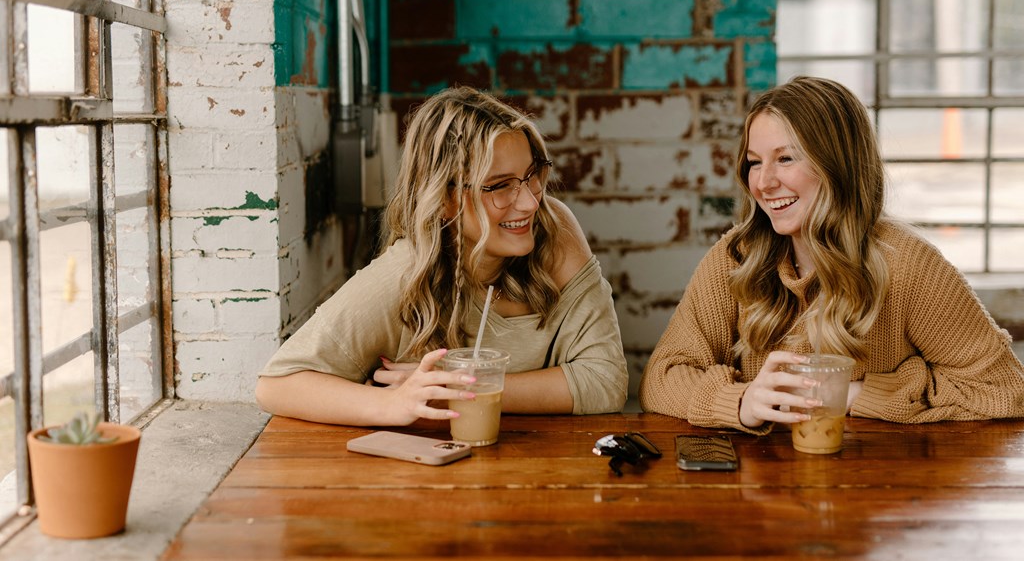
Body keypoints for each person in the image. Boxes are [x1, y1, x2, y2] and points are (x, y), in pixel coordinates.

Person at [639, 75, 1024, 433]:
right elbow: (661, 378)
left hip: (879, 485)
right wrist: (742, 401)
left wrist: (856, 395)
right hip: (760, 490)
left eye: (786, 158)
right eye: (755, 162)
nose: (764, 182)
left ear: (837, 165)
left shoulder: (909, 264)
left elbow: (1005, 389)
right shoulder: (736, 256)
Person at [256, 86, 628, 426]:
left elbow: (606, 381)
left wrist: (459, 386)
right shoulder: (401, 276)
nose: (531, 201)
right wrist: (389, 404)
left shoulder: (554, 228)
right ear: (445, 198)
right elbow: (277, 385)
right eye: (499, 186)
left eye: (533, 174)